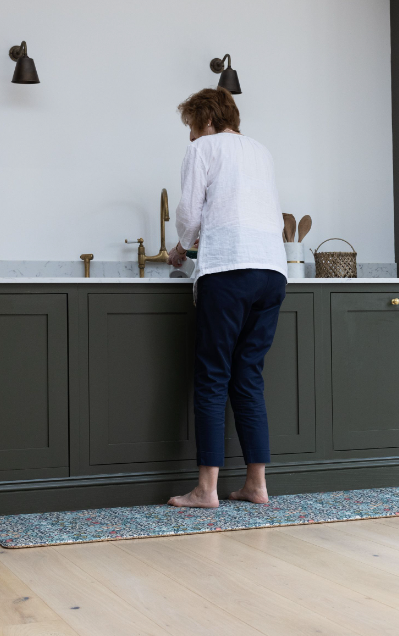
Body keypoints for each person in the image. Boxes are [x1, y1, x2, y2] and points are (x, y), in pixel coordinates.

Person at [166, 87, 288, 508]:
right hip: (272, 271)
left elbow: (188, 213)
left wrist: (180, 247)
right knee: (248, 376)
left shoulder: (203, 149)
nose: (190, 137)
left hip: (230, 270)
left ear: (206, 119)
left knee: (213, 376)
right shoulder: (260, 151)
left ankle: (206, 490)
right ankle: (256, 485)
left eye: (191, 126)